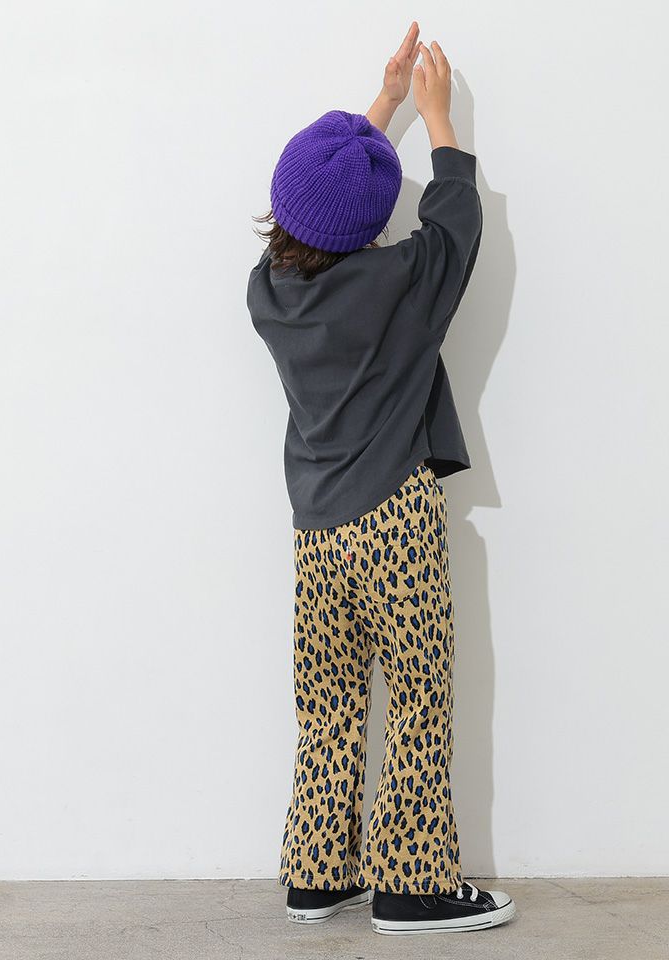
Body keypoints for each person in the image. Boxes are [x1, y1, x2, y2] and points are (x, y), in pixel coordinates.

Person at [245, 22, 516, 936]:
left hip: (316, 534)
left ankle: (317, 873)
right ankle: (412, 885)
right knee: (418, 698)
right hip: (395, 521)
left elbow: (320, 207)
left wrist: (382, 107)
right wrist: (434, 118)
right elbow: (456, 225)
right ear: (370, 225)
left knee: (326, 703)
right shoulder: (400, 285)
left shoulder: (268, 295)